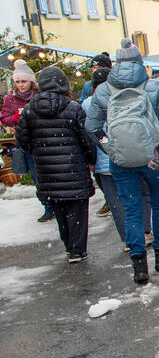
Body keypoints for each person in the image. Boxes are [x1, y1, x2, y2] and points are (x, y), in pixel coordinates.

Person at [85, 38, 159, 284]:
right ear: (139, 62)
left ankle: (138, 264)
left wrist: (108, 147)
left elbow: (91, 125)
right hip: (153, 158)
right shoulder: (154, 87)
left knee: (132, 210)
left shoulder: (104, 90)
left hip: (121, 160)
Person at [15, 66, 98, 262]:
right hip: (74, 169)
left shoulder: (29, 111)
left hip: (47, 171)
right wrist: (90, 159)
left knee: (60, 211)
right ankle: (78, 249)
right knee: (77, 211)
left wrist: (38, 150)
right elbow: (86, 139)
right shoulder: (73, 108)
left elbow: (22, 139)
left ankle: (69, 245)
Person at [2, 60, 55, 222]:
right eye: (17, 82)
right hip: (26, 143)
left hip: (45, 139)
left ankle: (59, 203)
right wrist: (17, 117)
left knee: (52, 174)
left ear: (31, 81)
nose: (20, 85)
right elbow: (4, 119)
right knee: (37, 176)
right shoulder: (11, 99)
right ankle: (48, 206)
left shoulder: (41, 94)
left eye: (23, 81)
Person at [81, 53, 113, 217]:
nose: (95, 70)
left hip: (111, 148)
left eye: (98, 67)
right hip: (105, 150)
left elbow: (90, 126)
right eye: (93, 67)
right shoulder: (88, 90)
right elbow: (90, 124)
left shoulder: (116, 90)